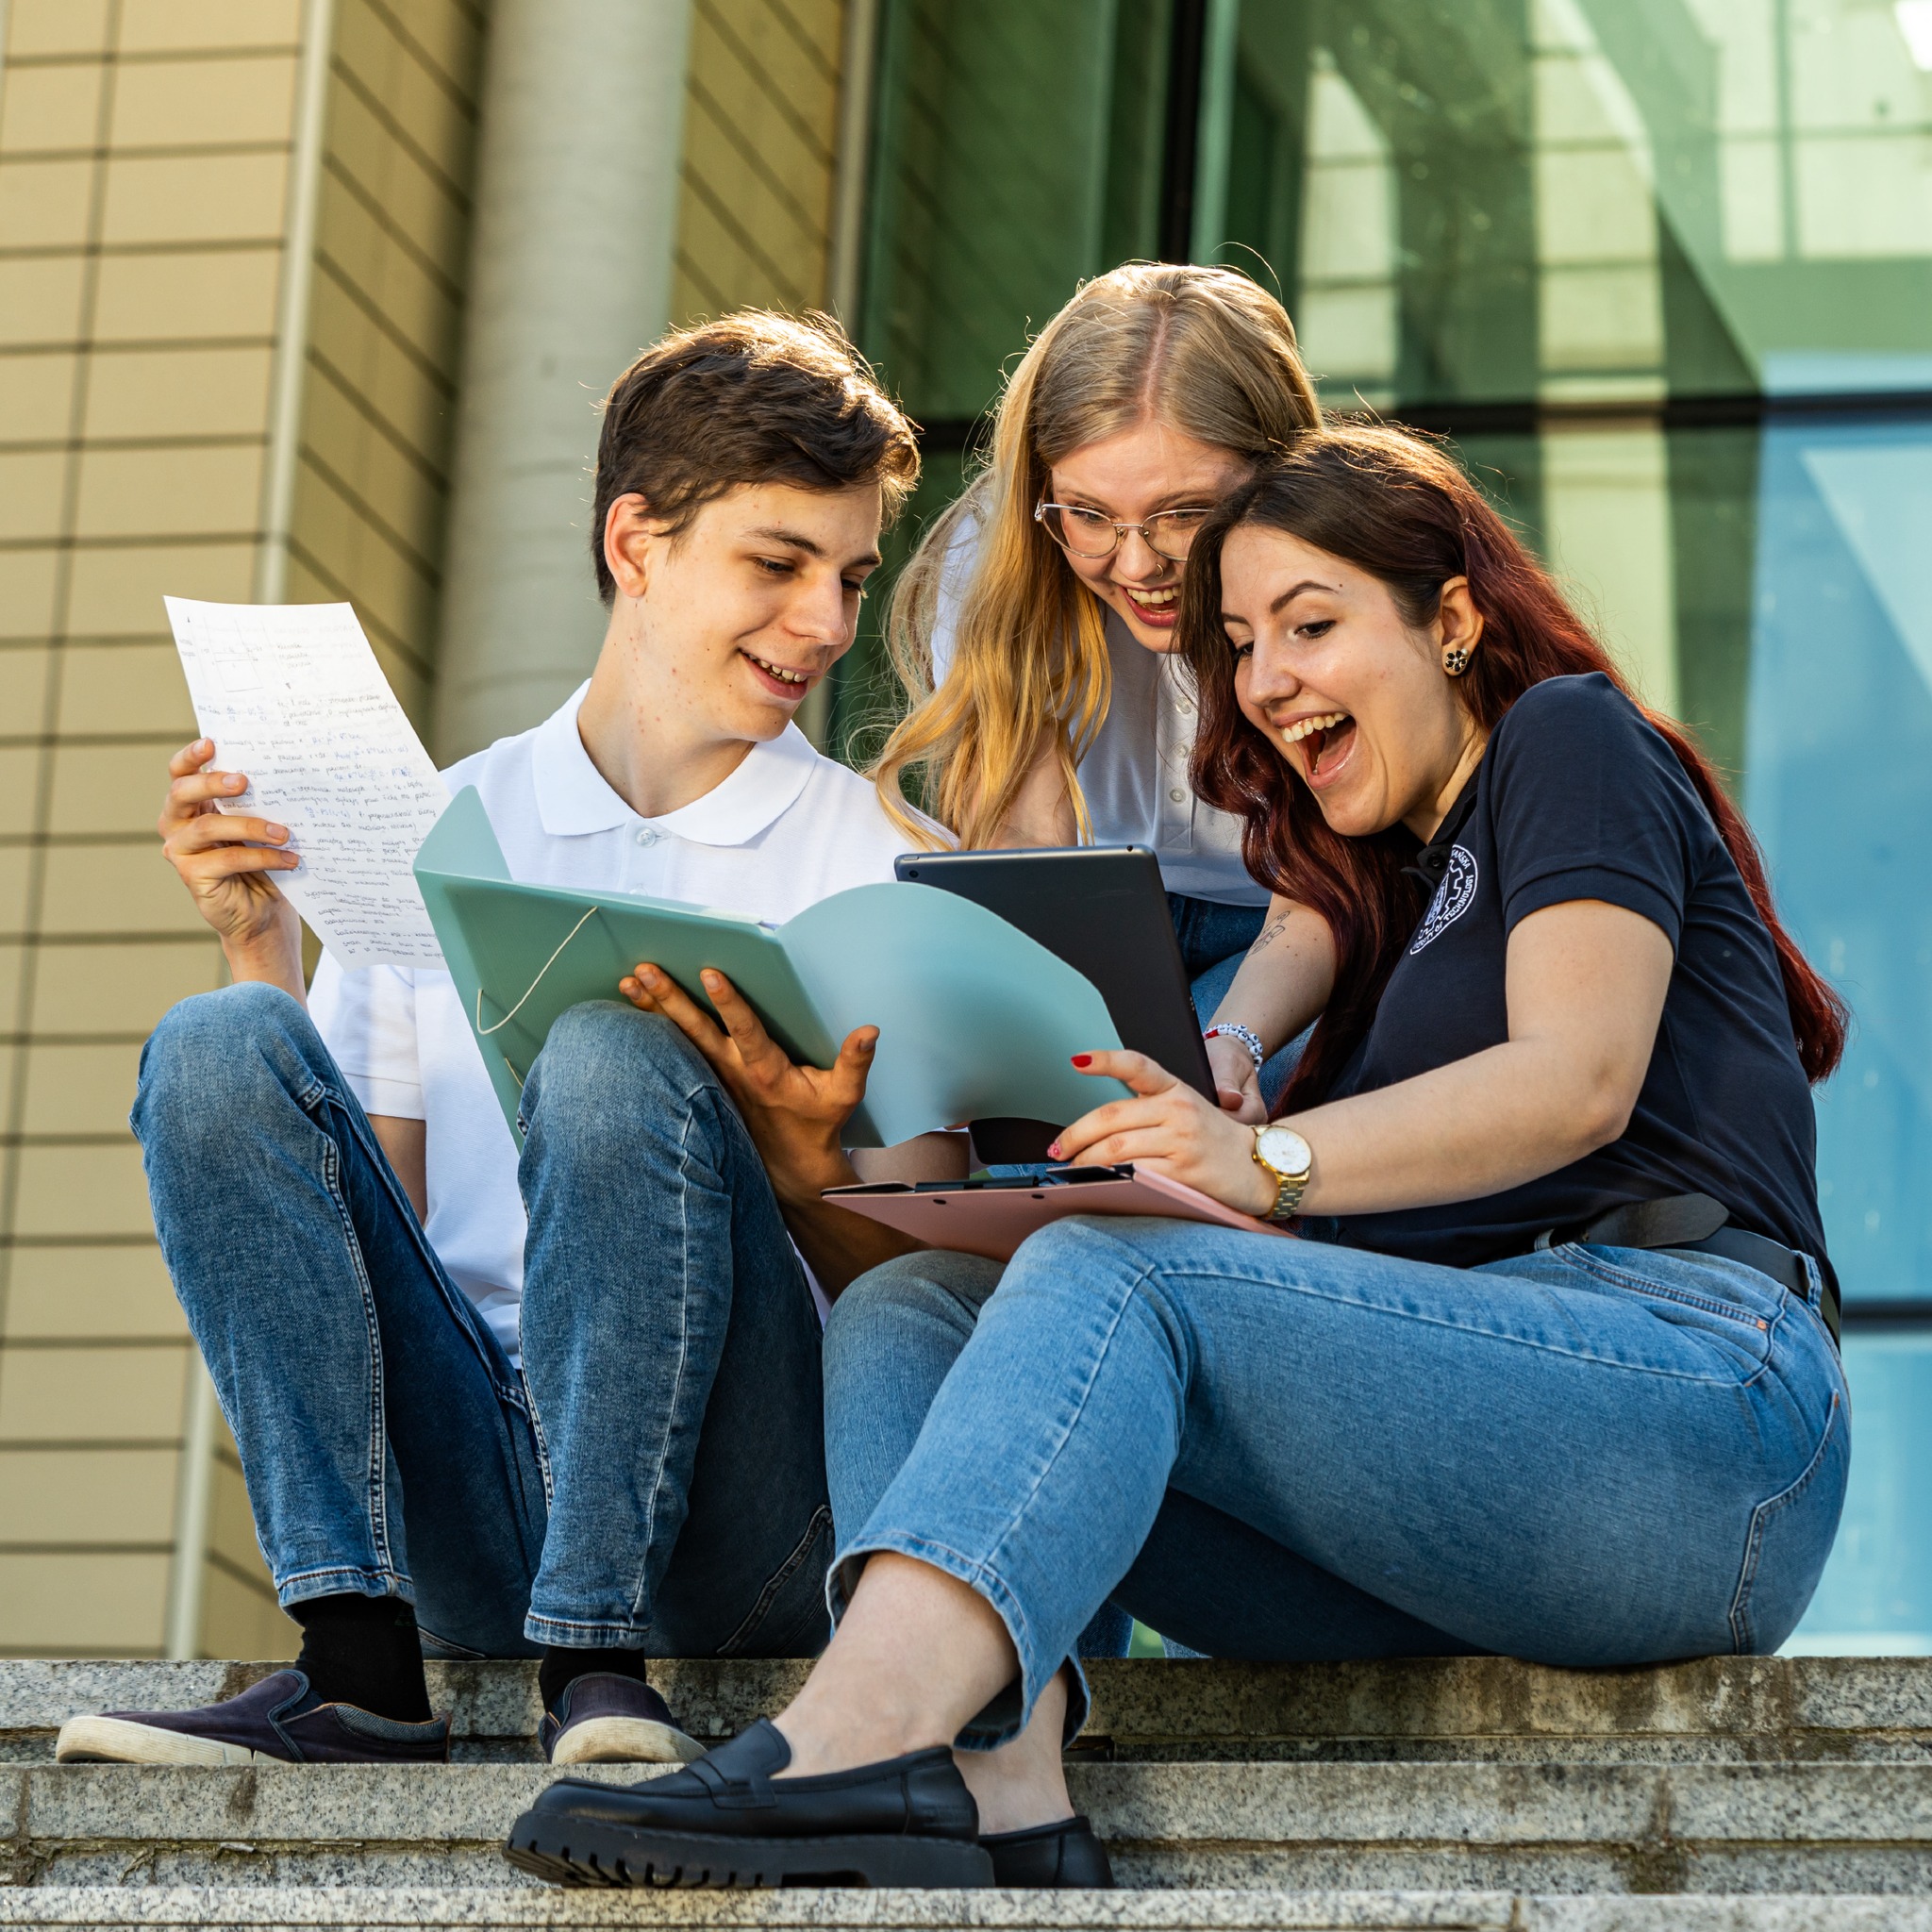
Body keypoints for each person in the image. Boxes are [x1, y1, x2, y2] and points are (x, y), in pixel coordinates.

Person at [510, 425, 1851, 1889]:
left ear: (1452, 620)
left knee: (1115, 1273)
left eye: (1312, 624)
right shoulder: (1380, 925)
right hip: (1461, 1516)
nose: (1267, 680)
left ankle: (853, 1732)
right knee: (922, 1309)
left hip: (1699, 1414)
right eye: (1239, 644)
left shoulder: (1568, 741)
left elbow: (1576, 1085)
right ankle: (994, 1791)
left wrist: (1255, 1156)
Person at [56, 311, 961, 1775]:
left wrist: (795, 1171)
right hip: (482, 1505)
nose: (828, 627)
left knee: (610, 1054)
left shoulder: (880, 859)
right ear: (636, 543)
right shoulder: (455, 825)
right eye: (779, 566)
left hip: (739, 1521)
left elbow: (945, 1308)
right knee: (216, 1042)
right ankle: (356, 1659)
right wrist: (256, 940)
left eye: (850, 577)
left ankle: (600, 1662)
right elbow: (365, 1253)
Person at [872, 262, 1323, 1103]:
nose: (1137, 562)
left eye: (1183, 512)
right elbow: (1027, 861)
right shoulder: (994, 565)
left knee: (1233, 1098)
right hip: (1104, 918)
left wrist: (1234, 1042)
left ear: (1277, 477)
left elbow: (1334, 887)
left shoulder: (1335, 579)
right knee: (1065, 1131)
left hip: (1293, 927)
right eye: (1088, 515)